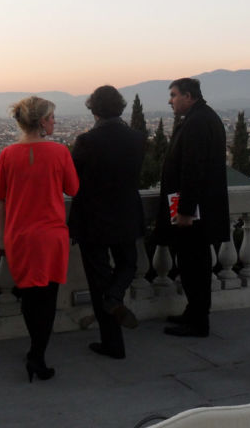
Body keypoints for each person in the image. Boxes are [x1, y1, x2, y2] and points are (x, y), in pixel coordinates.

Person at [0, 96, 79, 382]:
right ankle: (37, 355)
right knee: (48, 297)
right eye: (52, 117)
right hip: (51, 236)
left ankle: (35, 353)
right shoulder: (60, 153)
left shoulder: (7, 155)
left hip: (19, 235)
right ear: (42, 122)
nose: (55, 122)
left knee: (30, 296)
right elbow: (73, 188)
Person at [69, 85, 146, 360]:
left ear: (94, 109)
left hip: (93, 219)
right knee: (128, 264)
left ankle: (112, 343)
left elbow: (72, 181)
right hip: (126, 214)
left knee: (98, 279)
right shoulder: (138, 138)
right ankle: (115, 296)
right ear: (121, 107)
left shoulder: (86, 141)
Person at [155, 78, 230, 337]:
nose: (170, 101)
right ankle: (194, 312)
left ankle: (198, 321)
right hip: (200, 209)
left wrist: (185, 210)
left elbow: (193, 168)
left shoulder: (197, 122)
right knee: (193, 264)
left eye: (174, 95)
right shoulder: (204, 118)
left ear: (188, 96)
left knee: (193, 265)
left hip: (193, 213)